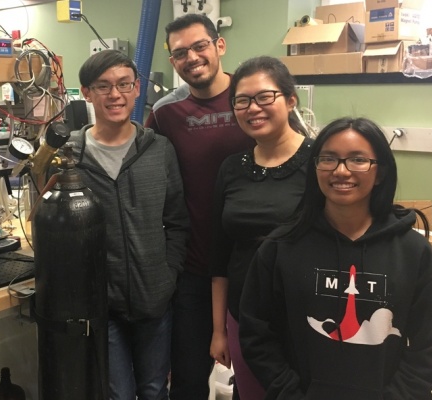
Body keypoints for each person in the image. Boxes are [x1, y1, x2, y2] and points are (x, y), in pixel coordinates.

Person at [239, 116, 432, 400]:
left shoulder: (413, 252)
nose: (341, 171)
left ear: (380, 173)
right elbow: (257, 333)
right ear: (315, 168)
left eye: (358, 160)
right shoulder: (281, 246)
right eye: (329, 159)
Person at [145, 14, 255, 399]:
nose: (191, 57)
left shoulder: (253, 102)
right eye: (180, 52)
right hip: (194, 271)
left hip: (252, 269)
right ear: (172, 61)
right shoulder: (165, 115)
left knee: (257, 380)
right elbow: (139, 171)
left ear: (219, 45)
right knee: (189, 380)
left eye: (199, 46)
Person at [72, 49, 190, 399]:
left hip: (154, 298)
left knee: (154, 390)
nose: (115, 95)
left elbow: (177, 222)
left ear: (137, 88)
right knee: (118, 394)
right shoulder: (70, 157)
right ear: (86, 92)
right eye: (104, 86)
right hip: (100, 304)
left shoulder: (159, 150)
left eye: (124, 84)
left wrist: (167, 277)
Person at [210, 56, 313, 400]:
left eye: (265, 97)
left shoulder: (320, 163)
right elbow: (220, 255)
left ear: (290, 100)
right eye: (242, 100)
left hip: (307, 319)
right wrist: (219, 330)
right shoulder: (231, 169)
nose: (253, 108)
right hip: (244, 318)